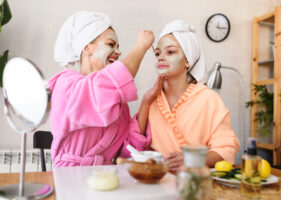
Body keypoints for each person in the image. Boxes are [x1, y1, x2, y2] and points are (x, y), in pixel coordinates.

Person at [49, 11, 155, 167]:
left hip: (106, 176)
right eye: (110, 44)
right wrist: (140, 47)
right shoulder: (67, 85)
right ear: (87, 48)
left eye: (118, 47)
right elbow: (100, 91)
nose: (118, 52)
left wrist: (146, 103)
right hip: (70, 176)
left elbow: (125, 152)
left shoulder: (118, 103)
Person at [145, 20, 240, 172]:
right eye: (157, 53)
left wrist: (192, 159)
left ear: (188, 60)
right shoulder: (152, 100)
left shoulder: (208, 99)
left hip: (195, 182)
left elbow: (226, 148)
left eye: (170, 52)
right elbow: (139, 145)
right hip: (157, 181)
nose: (161, 57)